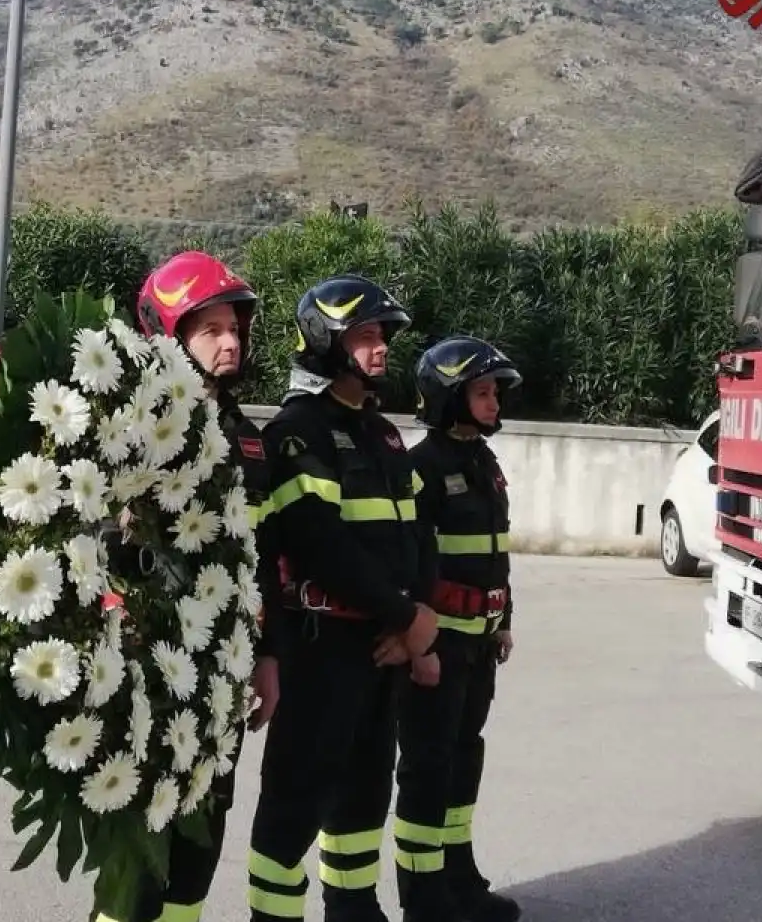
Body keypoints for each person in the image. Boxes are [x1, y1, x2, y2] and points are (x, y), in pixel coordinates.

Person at [244, 274, 440, 922]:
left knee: (362, 798)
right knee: (294, 806)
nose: (380, 348)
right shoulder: (299, 432)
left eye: (382, 336)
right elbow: (322, 544)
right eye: (364, 336)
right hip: (321, 650)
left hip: (381, 649)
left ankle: (354, 911)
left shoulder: (384, 436)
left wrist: (419, 618)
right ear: (326, 340)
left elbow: (417, 534)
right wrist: (406, 616)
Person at [95, 251, 284, 922]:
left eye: (235, 329)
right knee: (137, 870)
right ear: (166, 337)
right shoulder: (128, 432)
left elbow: (265, 566)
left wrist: (267, 659)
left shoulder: (249, 442)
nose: (230, 342)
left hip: (223, 682)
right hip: (147, 679)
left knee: (195, 864)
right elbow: (86, 552)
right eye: (210, 330)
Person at [397, 336, 525, 922]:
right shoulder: (421, 468)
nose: (494, 401)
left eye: (495, 391)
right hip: (438, 647)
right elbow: (410, 566)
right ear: (448, 396)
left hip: (477, 645)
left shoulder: (484, 462)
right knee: (428, 767)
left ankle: (459, 878)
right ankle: (425, 901)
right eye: (482, 391)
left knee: (463, 758)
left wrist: (502, 621)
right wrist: (417, 646)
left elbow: (493, 556)